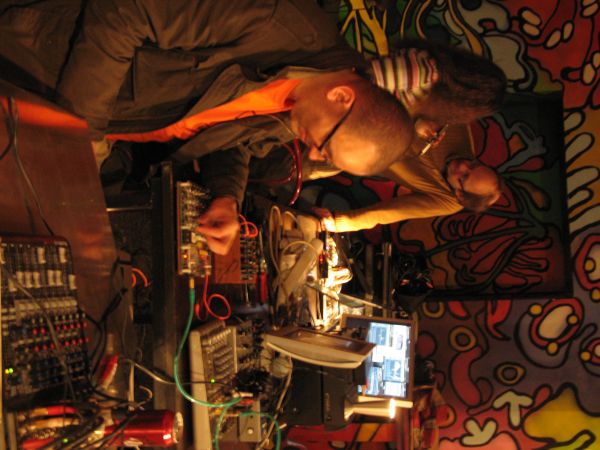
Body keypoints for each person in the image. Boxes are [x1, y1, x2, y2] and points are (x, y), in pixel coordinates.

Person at [0, 0, 413, 254]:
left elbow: (235, 144)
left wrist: (227, 195)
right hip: (35, 55)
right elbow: (125, 12)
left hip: (85, 125)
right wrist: (78, 140)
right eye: (328, 145)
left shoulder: (303, 113)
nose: (316, 153)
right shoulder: (272, 21)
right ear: (341, 96)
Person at [313, 124, 504, 233]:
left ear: (460, 195)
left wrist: (339, 222)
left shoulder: (448, 201)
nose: (462, 166)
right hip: (360, 115)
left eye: (464, 177)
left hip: (347, 153)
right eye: (473, 164)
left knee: (302, 166)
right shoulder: (459, 127)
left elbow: (389, 212)